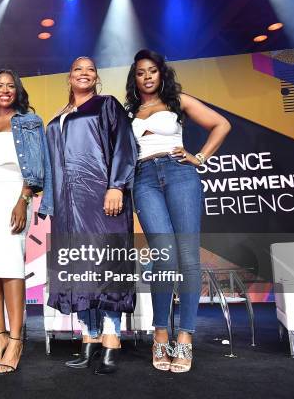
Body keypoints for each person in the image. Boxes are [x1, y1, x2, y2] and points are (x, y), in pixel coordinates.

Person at [125, 49, 230, 373]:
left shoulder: (177, 101)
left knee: (187, 255)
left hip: (179, 173)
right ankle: (161, 332)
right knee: (164, 255)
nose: (147, 77)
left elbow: (221, 125)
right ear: (135, 78)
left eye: (152, 71)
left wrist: (200, 156)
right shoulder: (129, 112)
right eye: (141, 72)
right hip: (143, 179)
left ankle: (184, 337)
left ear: (161, 73)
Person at [41, 56, 137, 374]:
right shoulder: (58, 117)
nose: (84, 73)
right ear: (68, 78)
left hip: (103, 200)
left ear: (96, 78)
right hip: (69, 209)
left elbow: (125, 145)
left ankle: (111, 340)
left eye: (90, 69)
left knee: (107, 269)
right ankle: (90, 338)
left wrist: (117, 187)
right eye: (77, 69)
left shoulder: (107, 105)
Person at [0, 69, 52, 374]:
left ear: (17, 91)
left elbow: (37, 166)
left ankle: (16, 340)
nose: (5, 90)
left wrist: (24, 198)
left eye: (10, 86)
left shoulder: (30, 122)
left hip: (12, 196)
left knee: (9, 267)